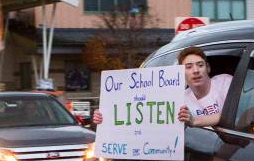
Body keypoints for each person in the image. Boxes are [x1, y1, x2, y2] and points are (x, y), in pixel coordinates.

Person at [92, 45, 232, 128]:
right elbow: (145, 118)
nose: (195, 70)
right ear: (180, 72)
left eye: (200, 65)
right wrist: (106, 117)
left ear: (208, 67)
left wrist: (194, 120)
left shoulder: (225, 82)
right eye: (188, 67)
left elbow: (231, 116)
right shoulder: (180, 100)